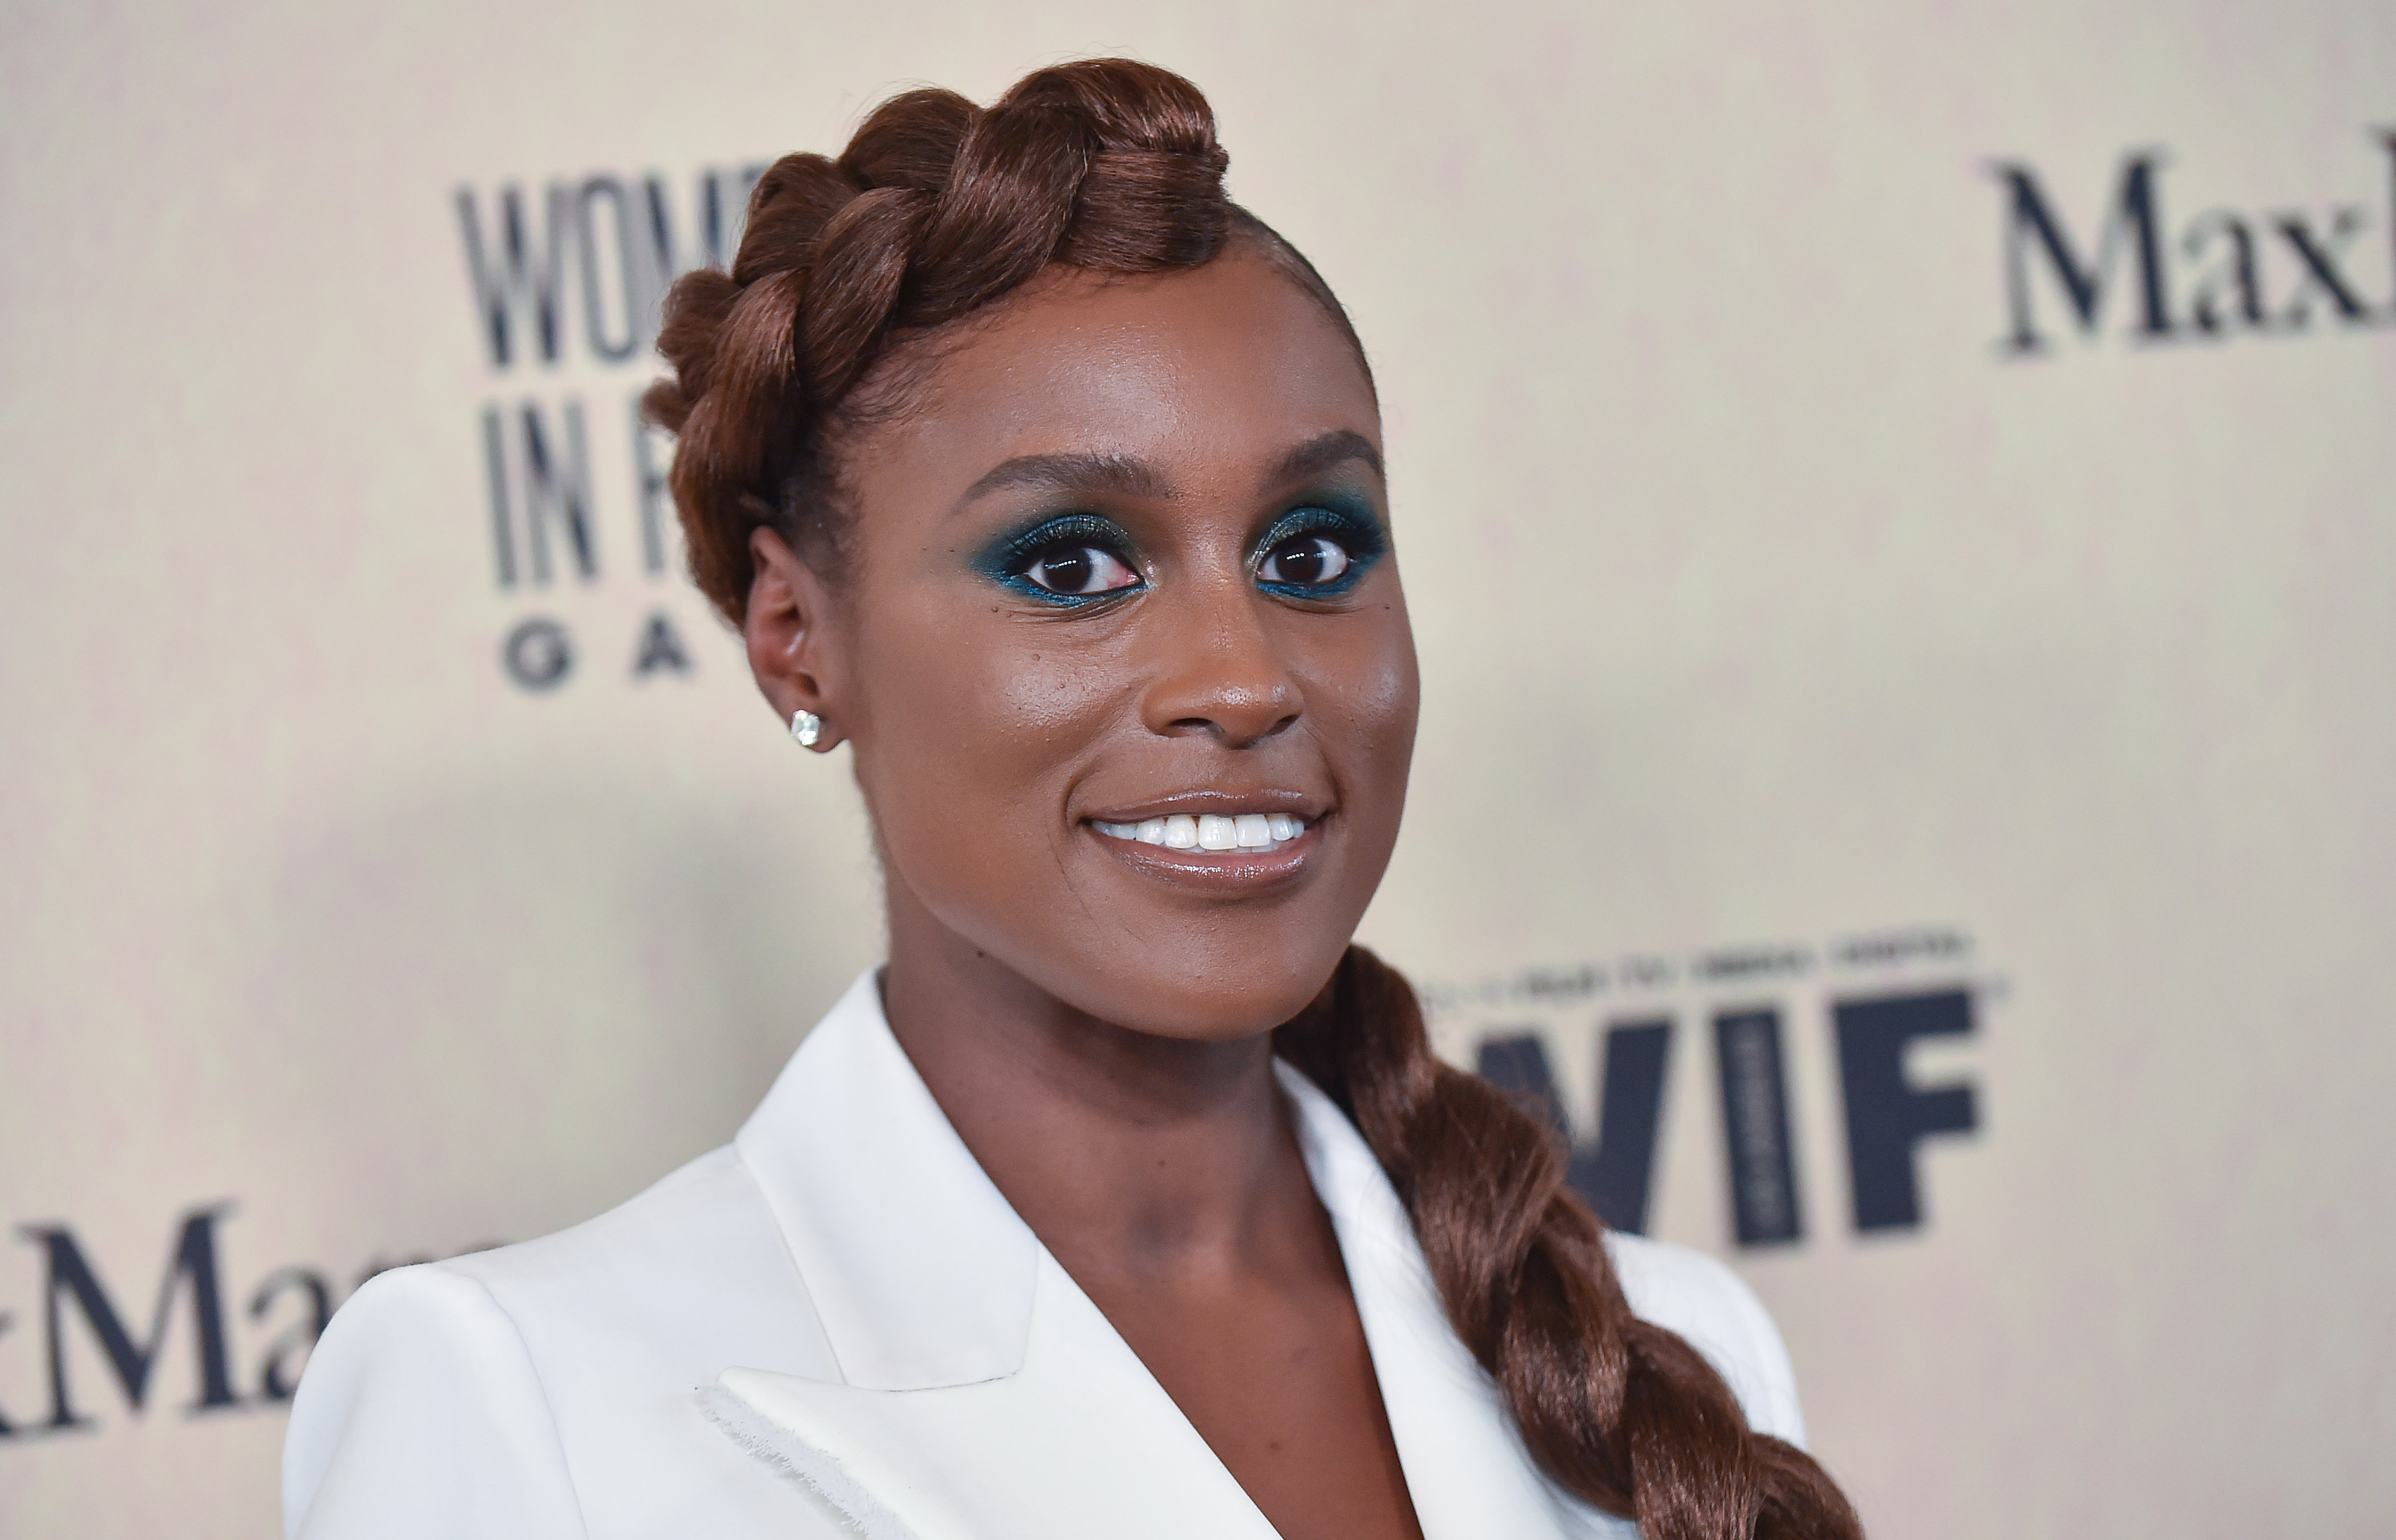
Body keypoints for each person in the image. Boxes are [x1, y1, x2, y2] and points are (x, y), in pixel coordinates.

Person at [282, 58, 1861, 1540]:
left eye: (1310, 551)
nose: (1243, 679)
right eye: (1073, 564)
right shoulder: (526, 1403)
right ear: (794, 634)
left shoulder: (1667, 1356)